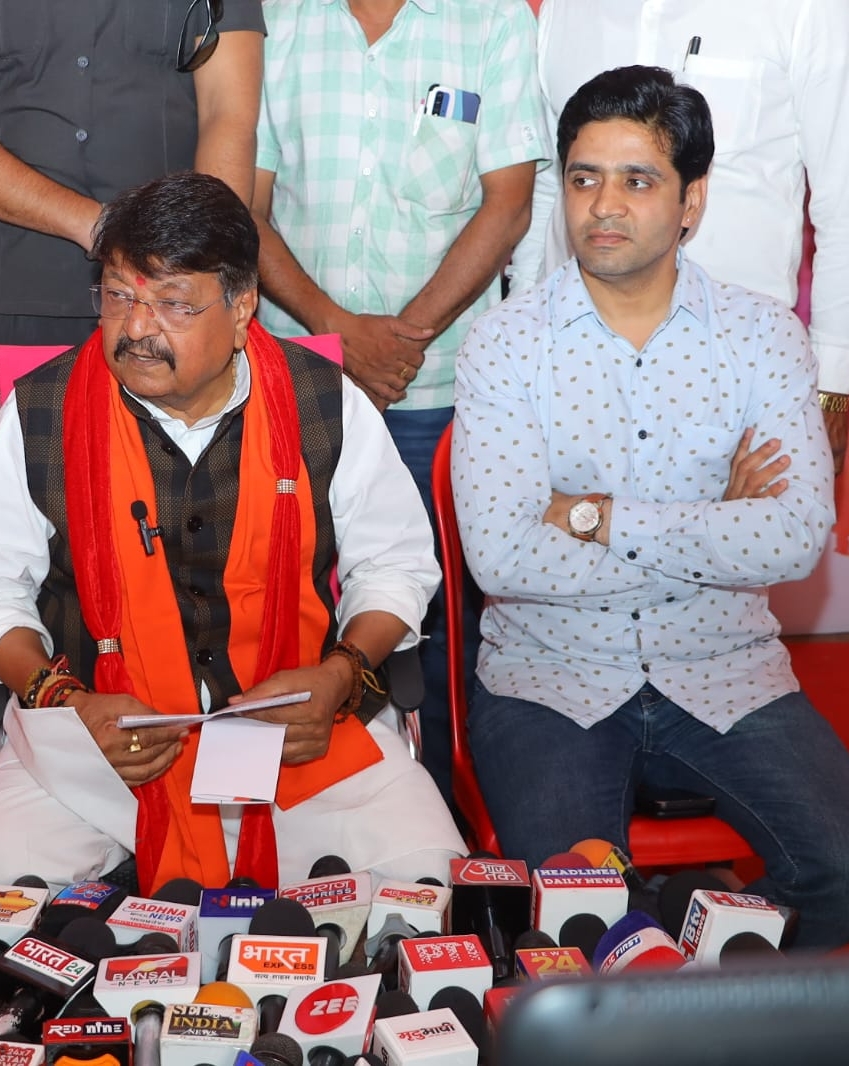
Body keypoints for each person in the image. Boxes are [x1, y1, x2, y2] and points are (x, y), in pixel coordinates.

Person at [0, 172, 466, 891]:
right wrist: (68, 704)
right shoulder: (42, 412)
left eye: (173, 304)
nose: (136, 329)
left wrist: (340, 676)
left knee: (426, 883)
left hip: (296, 742)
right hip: (99, 747)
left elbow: (395, 566)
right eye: (118, 296)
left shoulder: (324, 403)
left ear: (242, 307)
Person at [453, 66, 849, 948]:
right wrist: (713, 522)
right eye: (583, 178)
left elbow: (793, 537)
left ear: (690, 201)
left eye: (637, 180)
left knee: (844, 869)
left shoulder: (762, 337)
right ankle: (662, 944)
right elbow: (501, 557)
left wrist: (593, 515)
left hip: (724, 665)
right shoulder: (505, 343)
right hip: (549, 676)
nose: (603, 205)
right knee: (574, 918)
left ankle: (705, 973)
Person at [249, 0, 551, 803]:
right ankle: (293, 813)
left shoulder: (492, 21)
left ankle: (444, 820)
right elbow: (245, 206)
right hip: (295, 382)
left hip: (437, 395)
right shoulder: (276, 19)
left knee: (442, 628)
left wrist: (398, 343)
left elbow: (508, 205)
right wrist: (336, 331)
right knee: (287, 608)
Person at [0, 0, 266, 525]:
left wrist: (200, 267)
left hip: (166, 308)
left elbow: (230, 115)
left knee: (167, 534)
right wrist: (102, 227)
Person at [508, 0, 849, 473]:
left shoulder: (805, 9)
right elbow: (549, 184)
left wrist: (833, 385)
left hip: (734, 367)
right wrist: (521, 323)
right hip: (569, 361)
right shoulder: (566, 10)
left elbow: (842, 198)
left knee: (742, 519)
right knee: (561, 514)